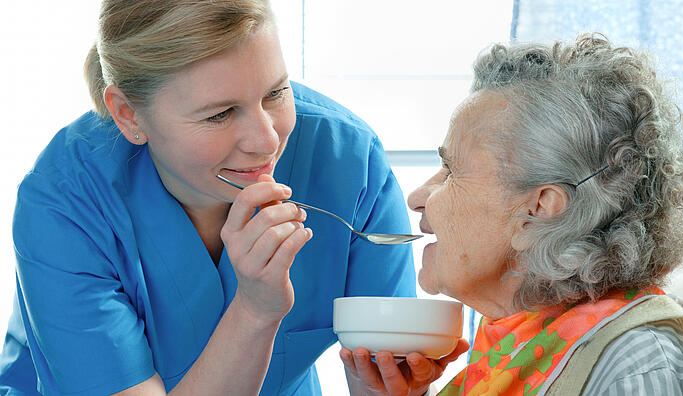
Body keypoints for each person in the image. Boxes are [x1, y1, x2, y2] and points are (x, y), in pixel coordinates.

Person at [0, 1, 419, 395]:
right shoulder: (64, 202)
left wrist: (400, 381)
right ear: (128, 115)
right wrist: (255, 310)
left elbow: (382, 369)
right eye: (219, 114)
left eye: (275, 93)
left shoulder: (348, 161)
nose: (267, 140)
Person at [341, 34, 683, 395]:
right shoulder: (514, 346)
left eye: (451, 170)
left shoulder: (635, 367)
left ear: (539, 210)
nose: (417, 197)